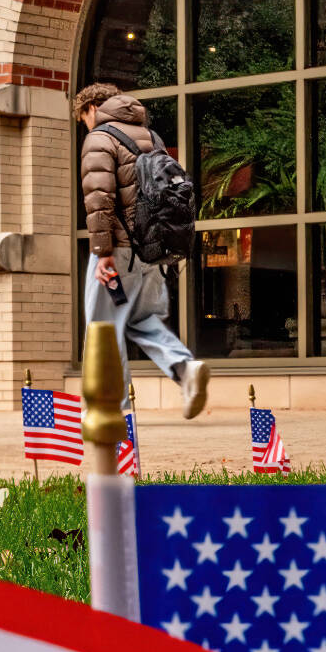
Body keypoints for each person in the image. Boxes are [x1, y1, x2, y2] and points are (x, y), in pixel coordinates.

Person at [76, 82, 208, 418]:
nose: (85, 125)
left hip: (117, 251)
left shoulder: (100, 138)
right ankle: (183, 367)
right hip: (152, 250)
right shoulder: (152, 137)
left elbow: (99, 199)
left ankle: (111, 410)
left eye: (83, 119)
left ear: (92, 108)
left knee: (102, 327)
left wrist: (102, 252)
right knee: (140, 319)